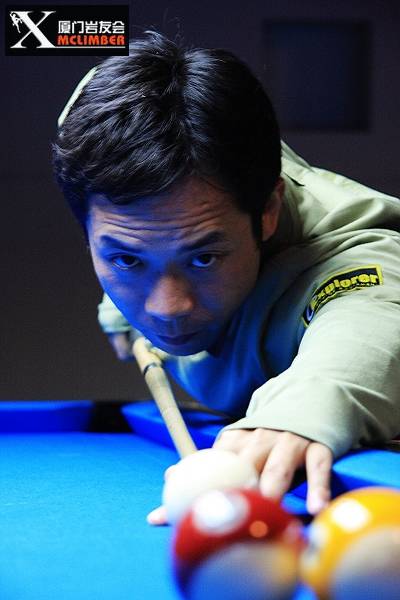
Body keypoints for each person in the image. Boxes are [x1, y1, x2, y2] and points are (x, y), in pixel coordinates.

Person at [53, 31, 400, 524]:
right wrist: (117, 310)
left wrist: (300, 413)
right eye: (128, 261)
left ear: (268, 211)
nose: (167, 308)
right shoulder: (116, 185)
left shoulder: (347, 249)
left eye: (203, 259)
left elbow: (373, 314)